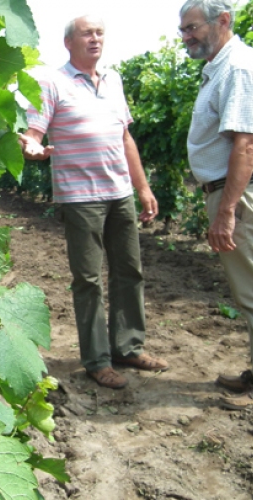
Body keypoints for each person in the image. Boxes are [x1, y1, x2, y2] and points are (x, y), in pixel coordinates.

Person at [19, 15, 168, 389]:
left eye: (100, 33)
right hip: (80, 197)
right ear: (69, 43)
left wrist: (143, 187)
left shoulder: (113, 80)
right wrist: (33, 148)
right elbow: (33, 132)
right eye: (87, 33)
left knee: (129, 271)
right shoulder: (51, 80)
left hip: (120, 193)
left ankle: (128, 347)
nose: (95, 39)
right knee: (88, 279)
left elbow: (125, 138)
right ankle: (97, 360)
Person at [179, 0, 253, 409]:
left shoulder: (238, 68)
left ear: (222, 21)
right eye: (183, 31)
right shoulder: (221, 68)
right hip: (233, 192)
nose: (186, 37)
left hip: (238, 194)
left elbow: (246, 145)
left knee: (252, 294)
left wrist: (227, 209)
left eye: (192, 28)